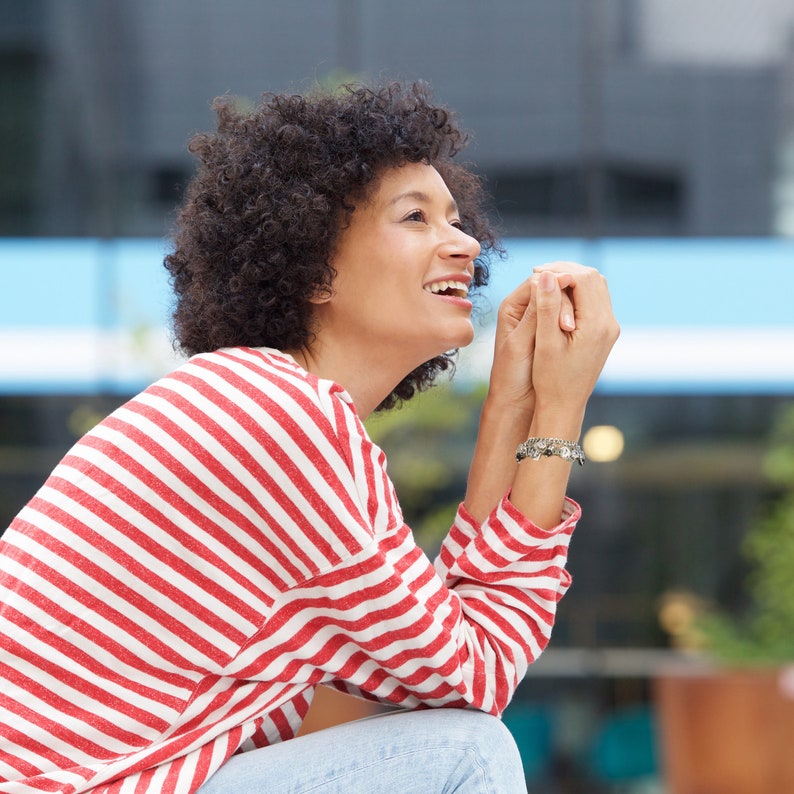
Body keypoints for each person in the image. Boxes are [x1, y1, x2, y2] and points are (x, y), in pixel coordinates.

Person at [0, 81, 619, 793]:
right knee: (468, 753)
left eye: (456, 219)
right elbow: (474, 677)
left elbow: (416, 677)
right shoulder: (282, 419)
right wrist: (562, 408)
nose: (465, 244)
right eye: (416, 217)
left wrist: (516, 397)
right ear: (313, 265)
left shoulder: (251, 399)